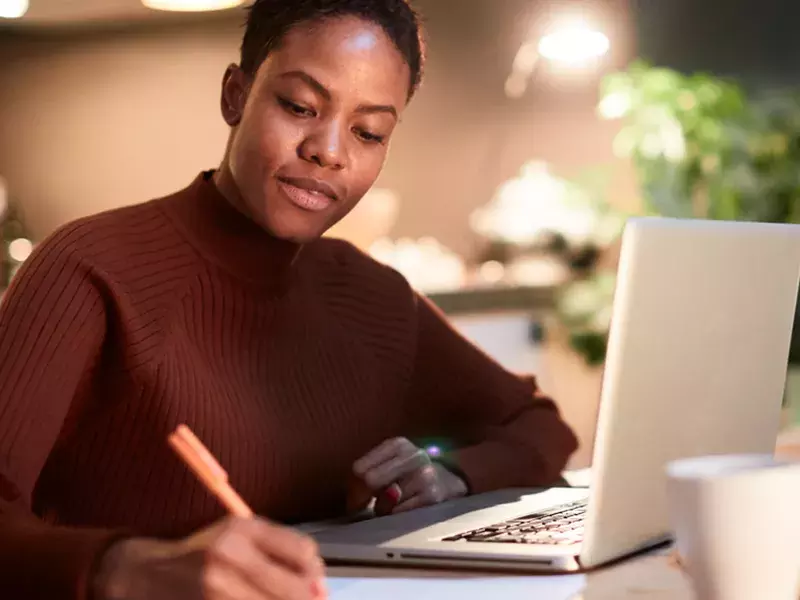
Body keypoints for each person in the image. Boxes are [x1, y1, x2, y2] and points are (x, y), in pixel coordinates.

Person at [0, 0, 578, 598]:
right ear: (235, 95)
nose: (329, 151)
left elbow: (537, 426)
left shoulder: (372, 295)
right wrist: (123, 568)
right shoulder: (90, 269)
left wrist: (452, 475)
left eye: (368, 131)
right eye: (300, 107)